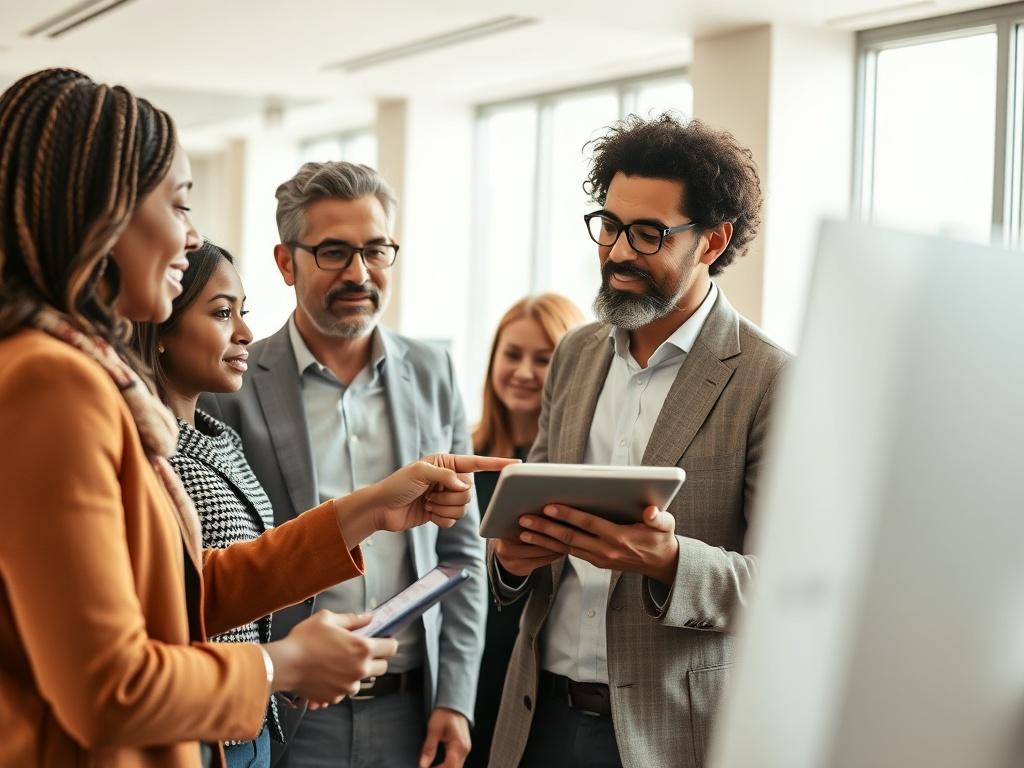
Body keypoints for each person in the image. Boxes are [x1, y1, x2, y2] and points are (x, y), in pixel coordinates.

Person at [0, 68, 510, 768]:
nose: (192, 235)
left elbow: (188, 587)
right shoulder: (51, 381)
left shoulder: (84, 373)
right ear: (104, 213)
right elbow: (108, 685)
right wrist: (280, 665)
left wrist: (368, 509)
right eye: (178, 205)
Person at [487, 114, 793, 768]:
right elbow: (529, 508)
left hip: (664, 734)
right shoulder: (575, 352)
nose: (619, 252)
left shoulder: (769, 378)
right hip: (539, 714)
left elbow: (790, 588)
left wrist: (669, 562)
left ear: (712, 241)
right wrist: (511, 561)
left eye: (649, 234)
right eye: (610, 226)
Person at [200, 161, 486, 768]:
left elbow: (462, 553)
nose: (359, 273)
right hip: (289, 709)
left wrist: (456, 699)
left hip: (412, 707)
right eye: (333, 252)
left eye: (375, 249)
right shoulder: (229, 380)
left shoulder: (432, 372)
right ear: (286, 262)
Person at [466, 293, 584, 768]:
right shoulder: (460, 458)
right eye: (512, 354)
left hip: (538, 672)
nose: (525, 372)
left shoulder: (579, 472)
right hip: (468, 663)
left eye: (544, 359)